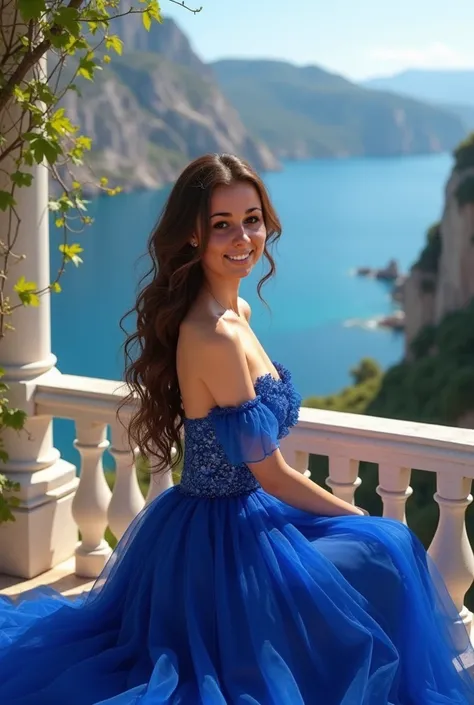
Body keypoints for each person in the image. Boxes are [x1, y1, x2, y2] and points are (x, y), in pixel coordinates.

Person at [0, 153, 473, 704]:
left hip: (238, 517)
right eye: (221, 224)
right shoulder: (214, 335)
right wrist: (358, 514)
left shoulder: (237, 313)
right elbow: (270, 473)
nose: (242, 236)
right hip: (223, 536)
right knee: (385, 547)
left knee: (377, 559)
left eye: (251, 219)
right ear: (193, 236)